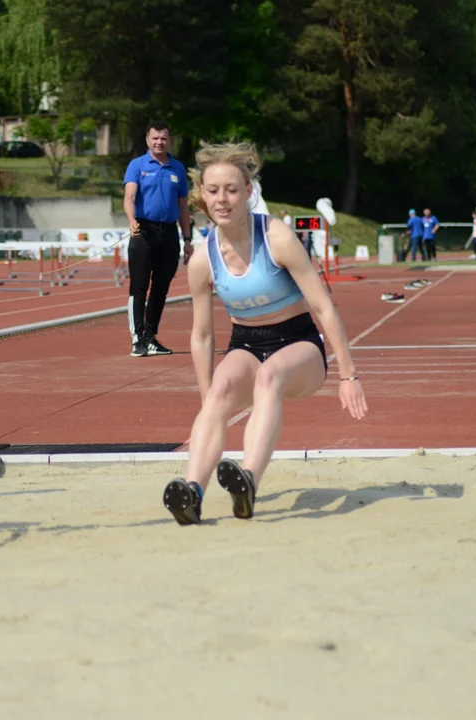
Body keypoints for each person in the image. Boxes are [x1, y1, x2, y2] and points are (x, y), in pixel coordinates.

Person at [161, 141, 367, 525]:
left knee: (270, 377)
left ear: (249, 192)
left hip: (298, 344)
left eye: (232, 190)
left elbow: (323, 306)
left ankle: (248, 481)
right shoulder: (203, 258)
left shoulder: (276, 237)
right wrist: (208, 404)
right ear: (201, 196)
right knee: (220, 392)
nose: (222, 199)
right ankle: (193, 492)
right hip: (246, 344)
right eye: (213, 191)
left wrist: (348, 375)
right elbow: (203, 336)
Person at [123, 121, 193, 357]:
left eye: (163, 138)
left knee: (161, 288)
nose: (159, 142)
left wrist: (187, 238)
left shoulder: (178, 168)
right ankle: (137, 339)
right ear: (147, 140)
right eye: (155, 138)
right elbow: (130, 196)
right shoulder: (137, 165)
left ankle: (150, 337)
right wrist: (132, 221)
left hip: (170, 233)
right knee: (139, 287)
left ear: (169, 140)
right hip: (143, 231)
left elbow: (183, 205)